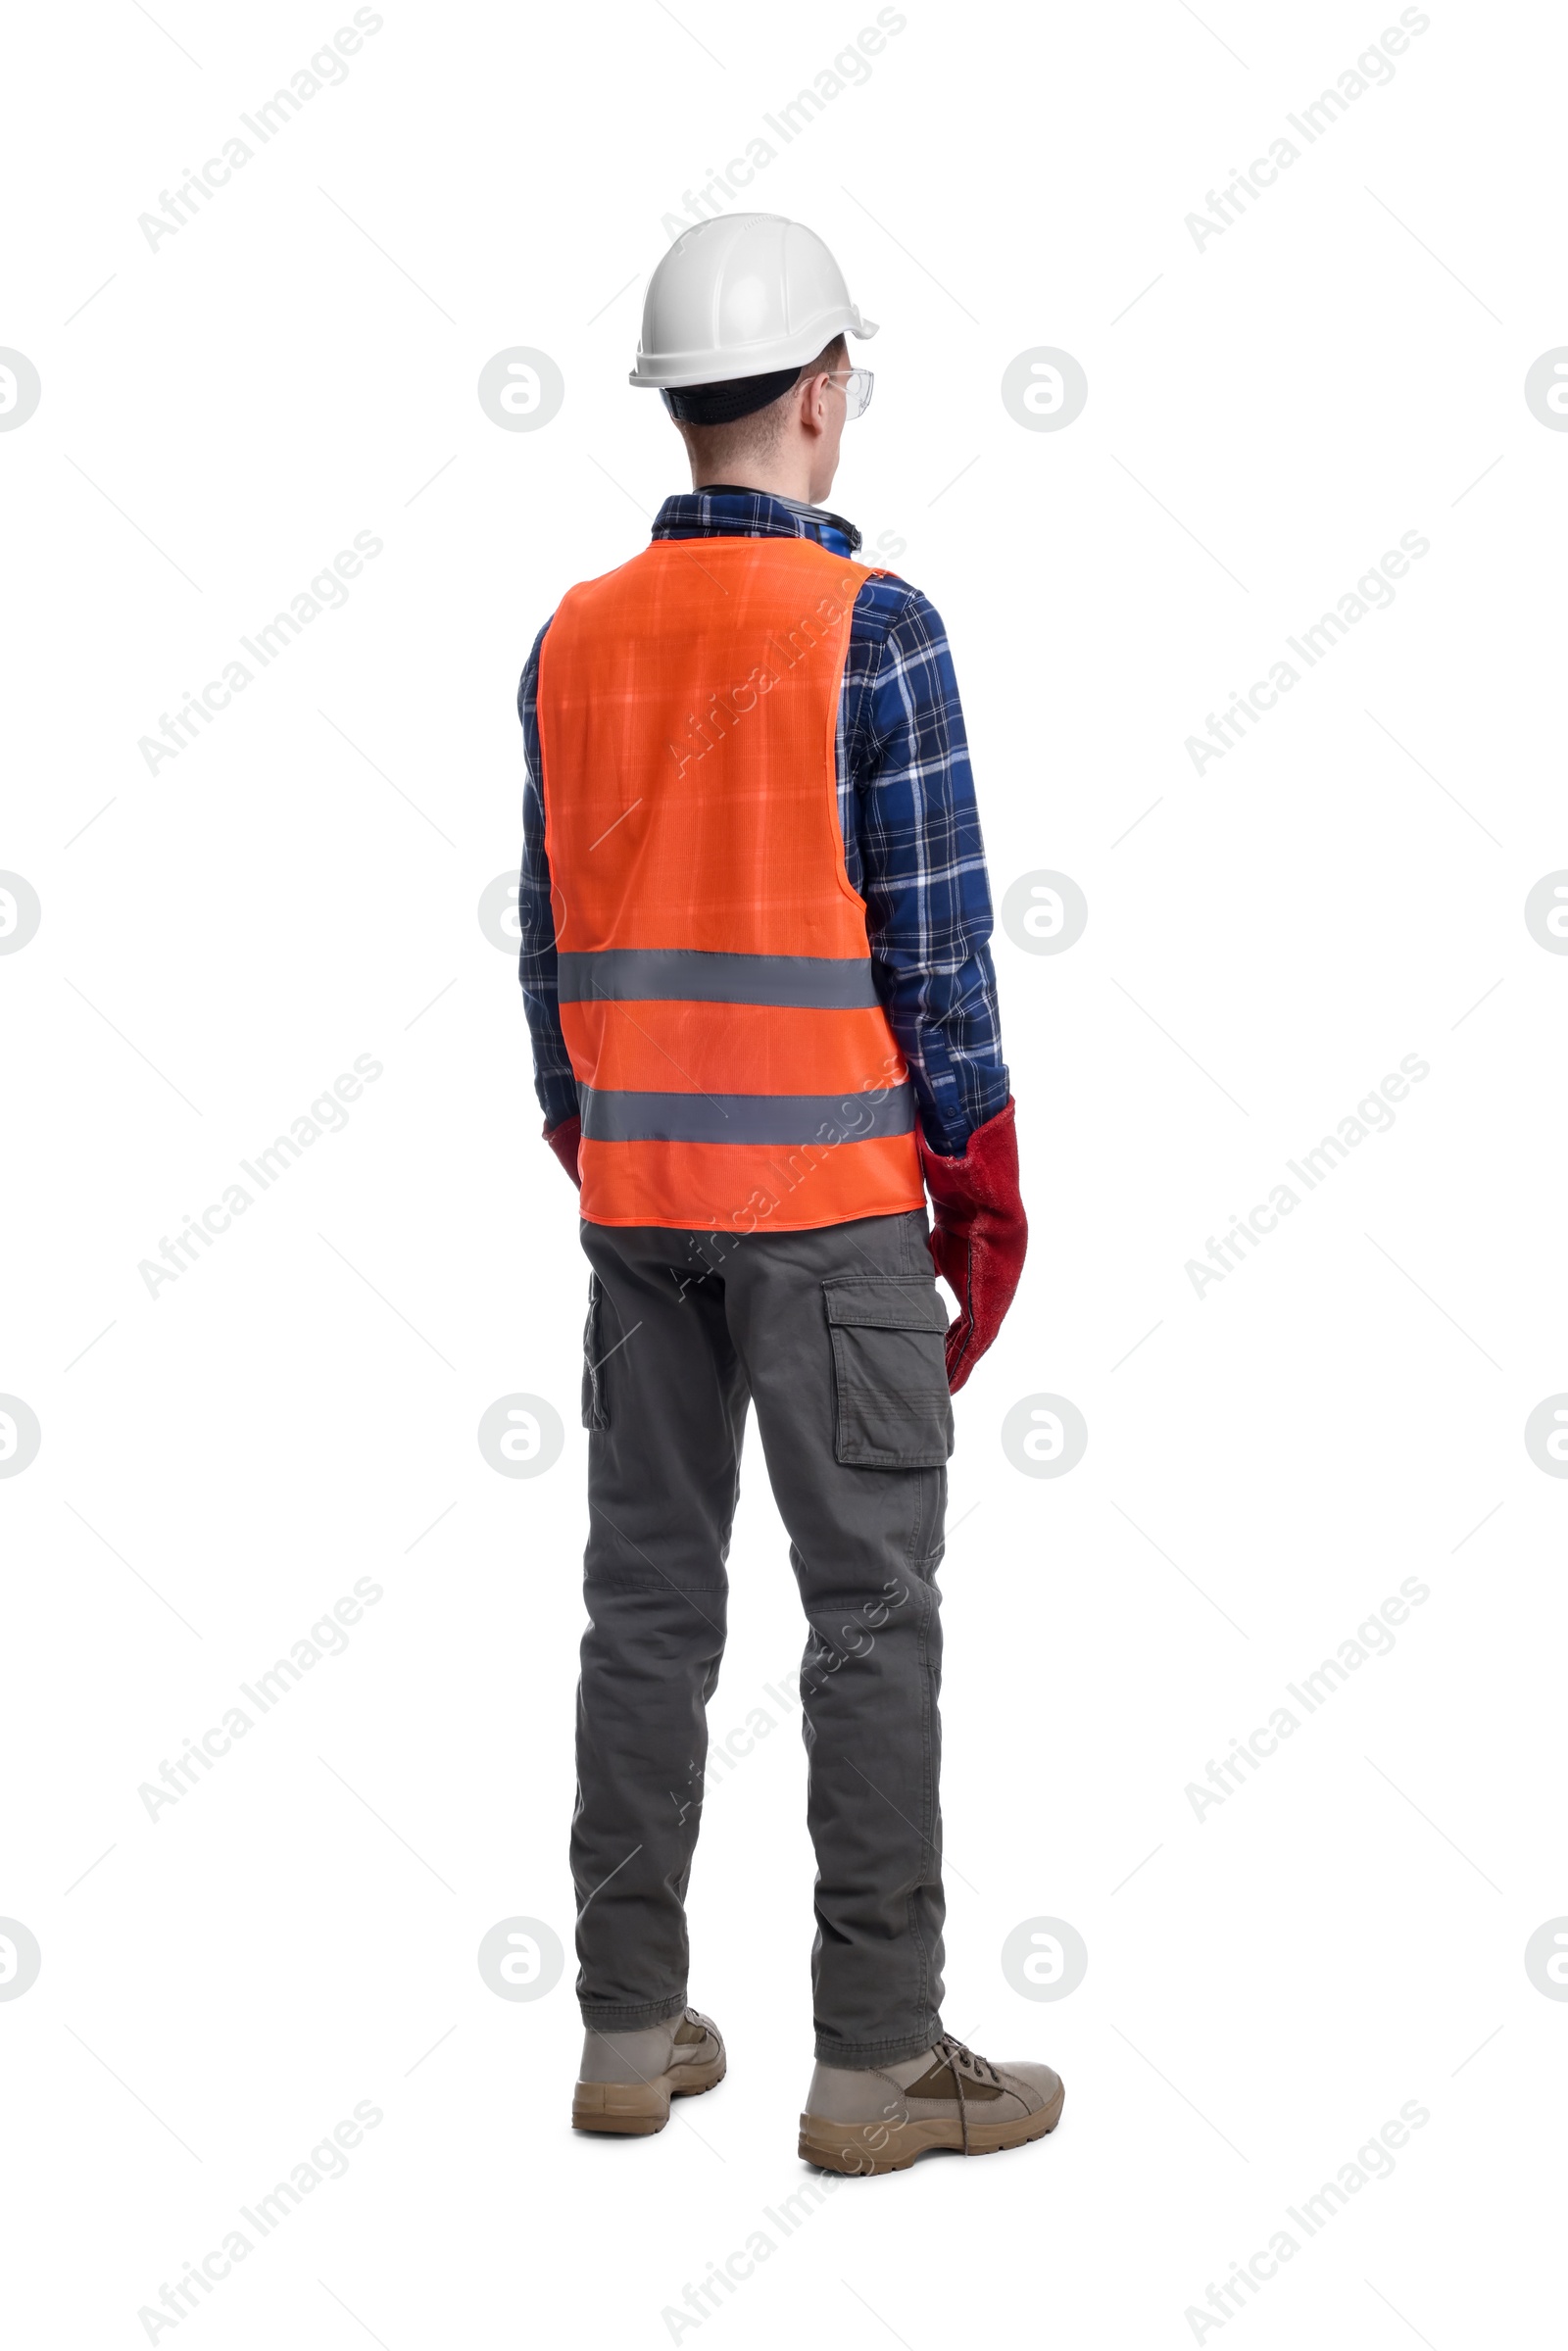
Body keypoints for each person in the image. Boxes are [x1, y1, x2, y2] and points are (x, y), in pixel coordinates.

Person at [515, 212, 1061, 2174]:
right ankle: (872, 2060)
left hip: (637, 1210)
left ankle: (622, 2027)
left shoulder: (569, 638)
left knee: (643, 1613)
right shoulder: (875, 629)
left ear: (680, 411)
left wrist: (610, 1149)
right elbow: (937, 963)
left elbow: (545, 955)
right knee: (870, 1621)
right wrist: (978, 1195)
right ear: (822, 393)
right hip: (828, 1219)